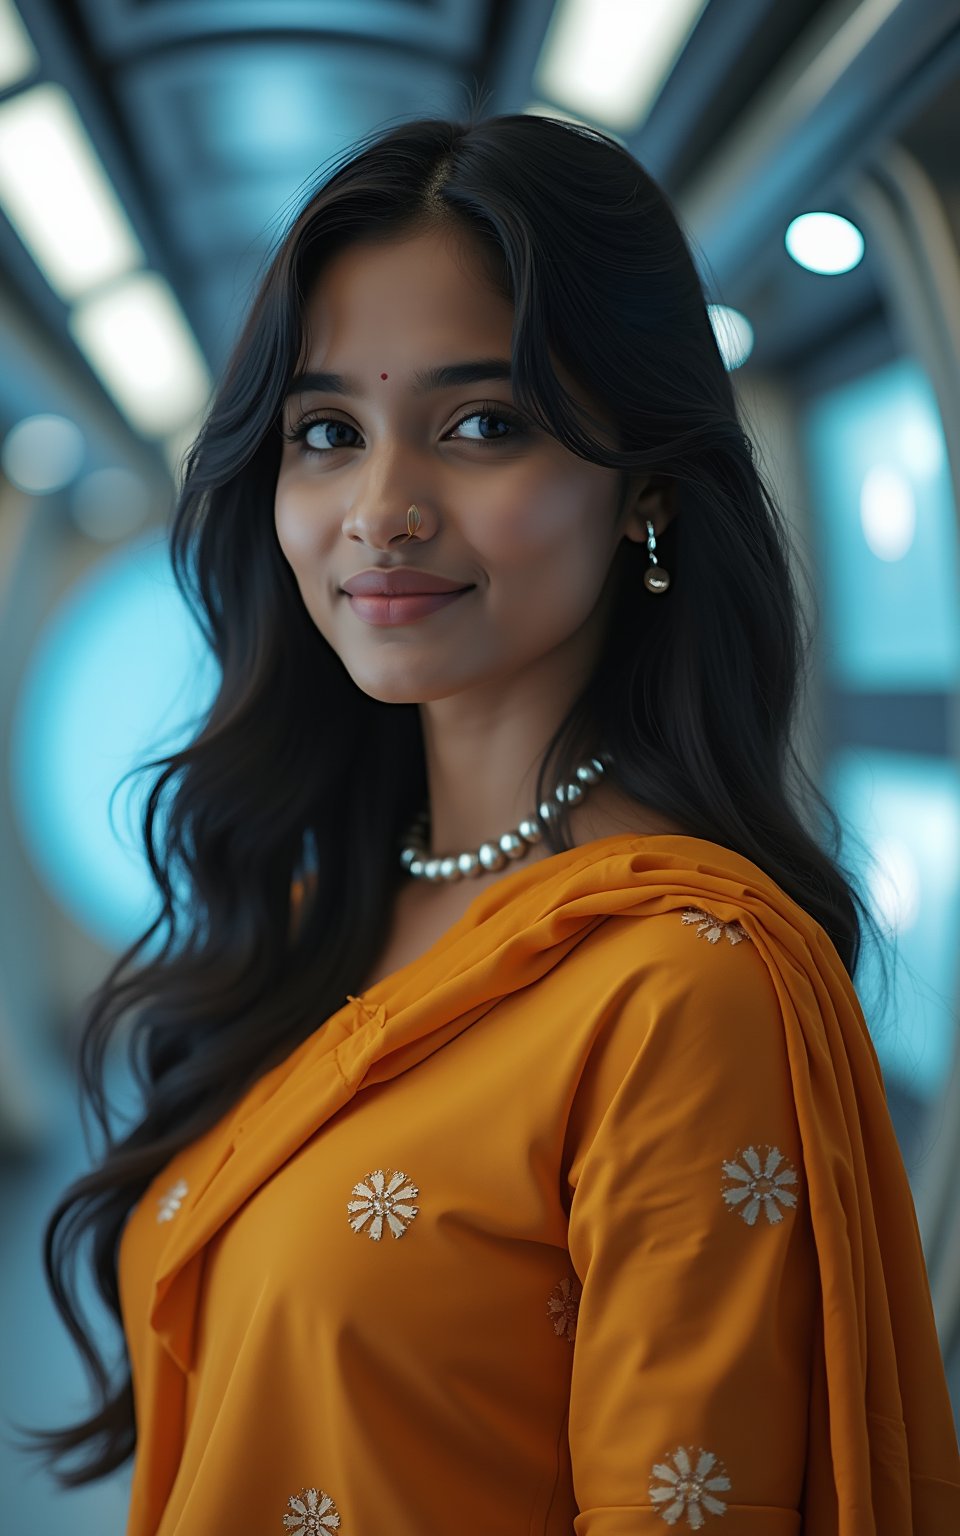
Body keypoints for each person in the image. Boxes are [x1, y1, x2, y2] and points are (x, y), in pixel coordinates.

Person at [13, 109, 960, 1534]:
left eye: (481, 425)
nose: (382, 511)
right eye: (326, 432)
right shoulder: (317, 913)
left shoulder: (681, 992)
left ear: (645, 482)